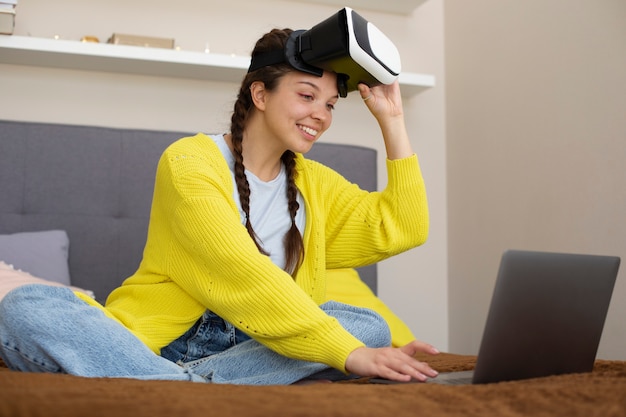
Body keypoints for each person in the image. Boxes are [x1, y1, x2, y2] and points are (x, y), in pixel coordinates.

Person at [0, 28, 438, 385]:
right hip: (166, 343)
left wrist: (392, 120)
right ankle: (185, 383)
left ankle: (173, 385)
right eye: (306, 96)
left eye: (329, 104)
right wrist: (346, 353)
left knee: (370, 326)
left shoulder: (314, 184)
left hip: (262, 349)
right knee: (27, 305)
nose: (320, 115)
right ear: (261, 95)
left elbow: (404, 226)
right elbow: (240, 271)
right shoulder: (189, 162)